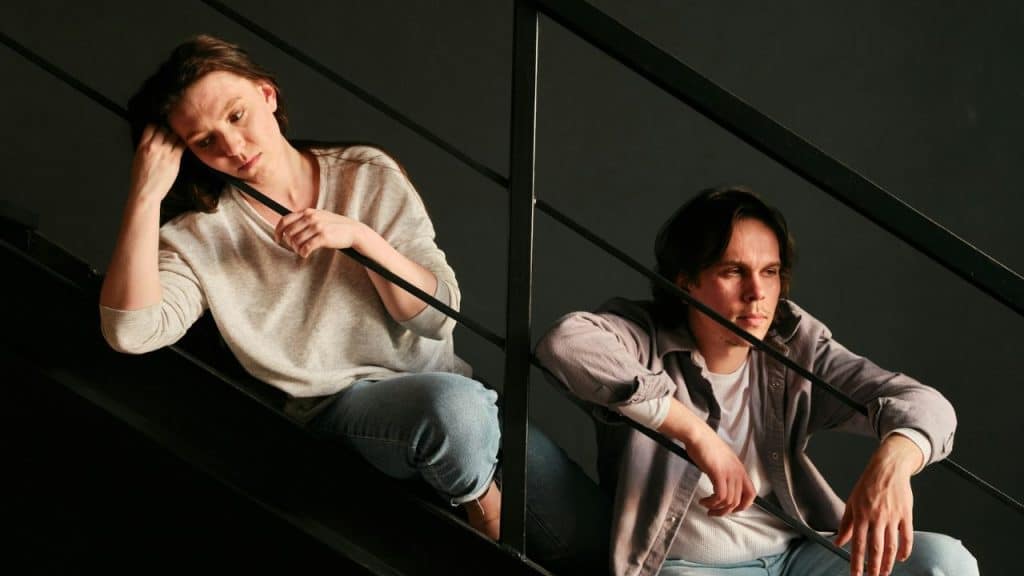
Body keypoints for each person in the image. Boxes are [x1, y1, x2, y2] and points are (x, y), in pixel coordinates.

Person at [98, 34, 505, 538]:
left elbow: (435, 316)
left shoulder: (364, 172)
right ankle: (485, 506)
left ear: (267, 95)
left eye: (236, 115)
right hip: (342, 407)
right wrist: (145, 194)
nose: (233, 147)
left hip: (442, 379)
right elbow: (131, 333)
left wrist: (358, 238)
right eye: (205, 142)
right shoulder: (200, 235)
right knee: (458, 415)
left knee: (590, 535)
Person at [535, 186, 979, 576]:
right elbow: (566, 343)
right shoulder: (643, 335)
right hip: (687, 567)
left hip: (797, 558)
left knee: (945, 563)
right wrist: (694, 433)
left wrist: (893, 464)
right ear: (686, 281)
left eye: (769, 272)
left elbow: (926, 404)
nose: (757, 293)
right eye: (733, 272)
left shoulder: (793, 341)